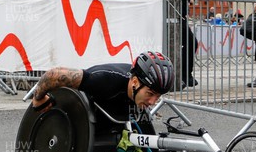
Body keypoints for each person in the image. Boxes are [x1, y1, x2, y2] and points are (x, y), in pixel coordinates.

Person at [31, 51, 175, 119]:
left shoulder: (139, 88)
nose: (153, 102)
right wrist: (38, 98)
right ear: (135, 82)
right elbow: (54, 75)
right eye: (150, 94)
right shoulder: (104, 81)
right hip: (77, 114)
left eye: (158, 96)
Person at [166, 0, 199, 88]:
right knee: (190, 43)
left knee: (187, 44)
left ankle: (183, 76)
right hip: (176, 16)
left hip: (177, 16)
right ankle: (184, 76)